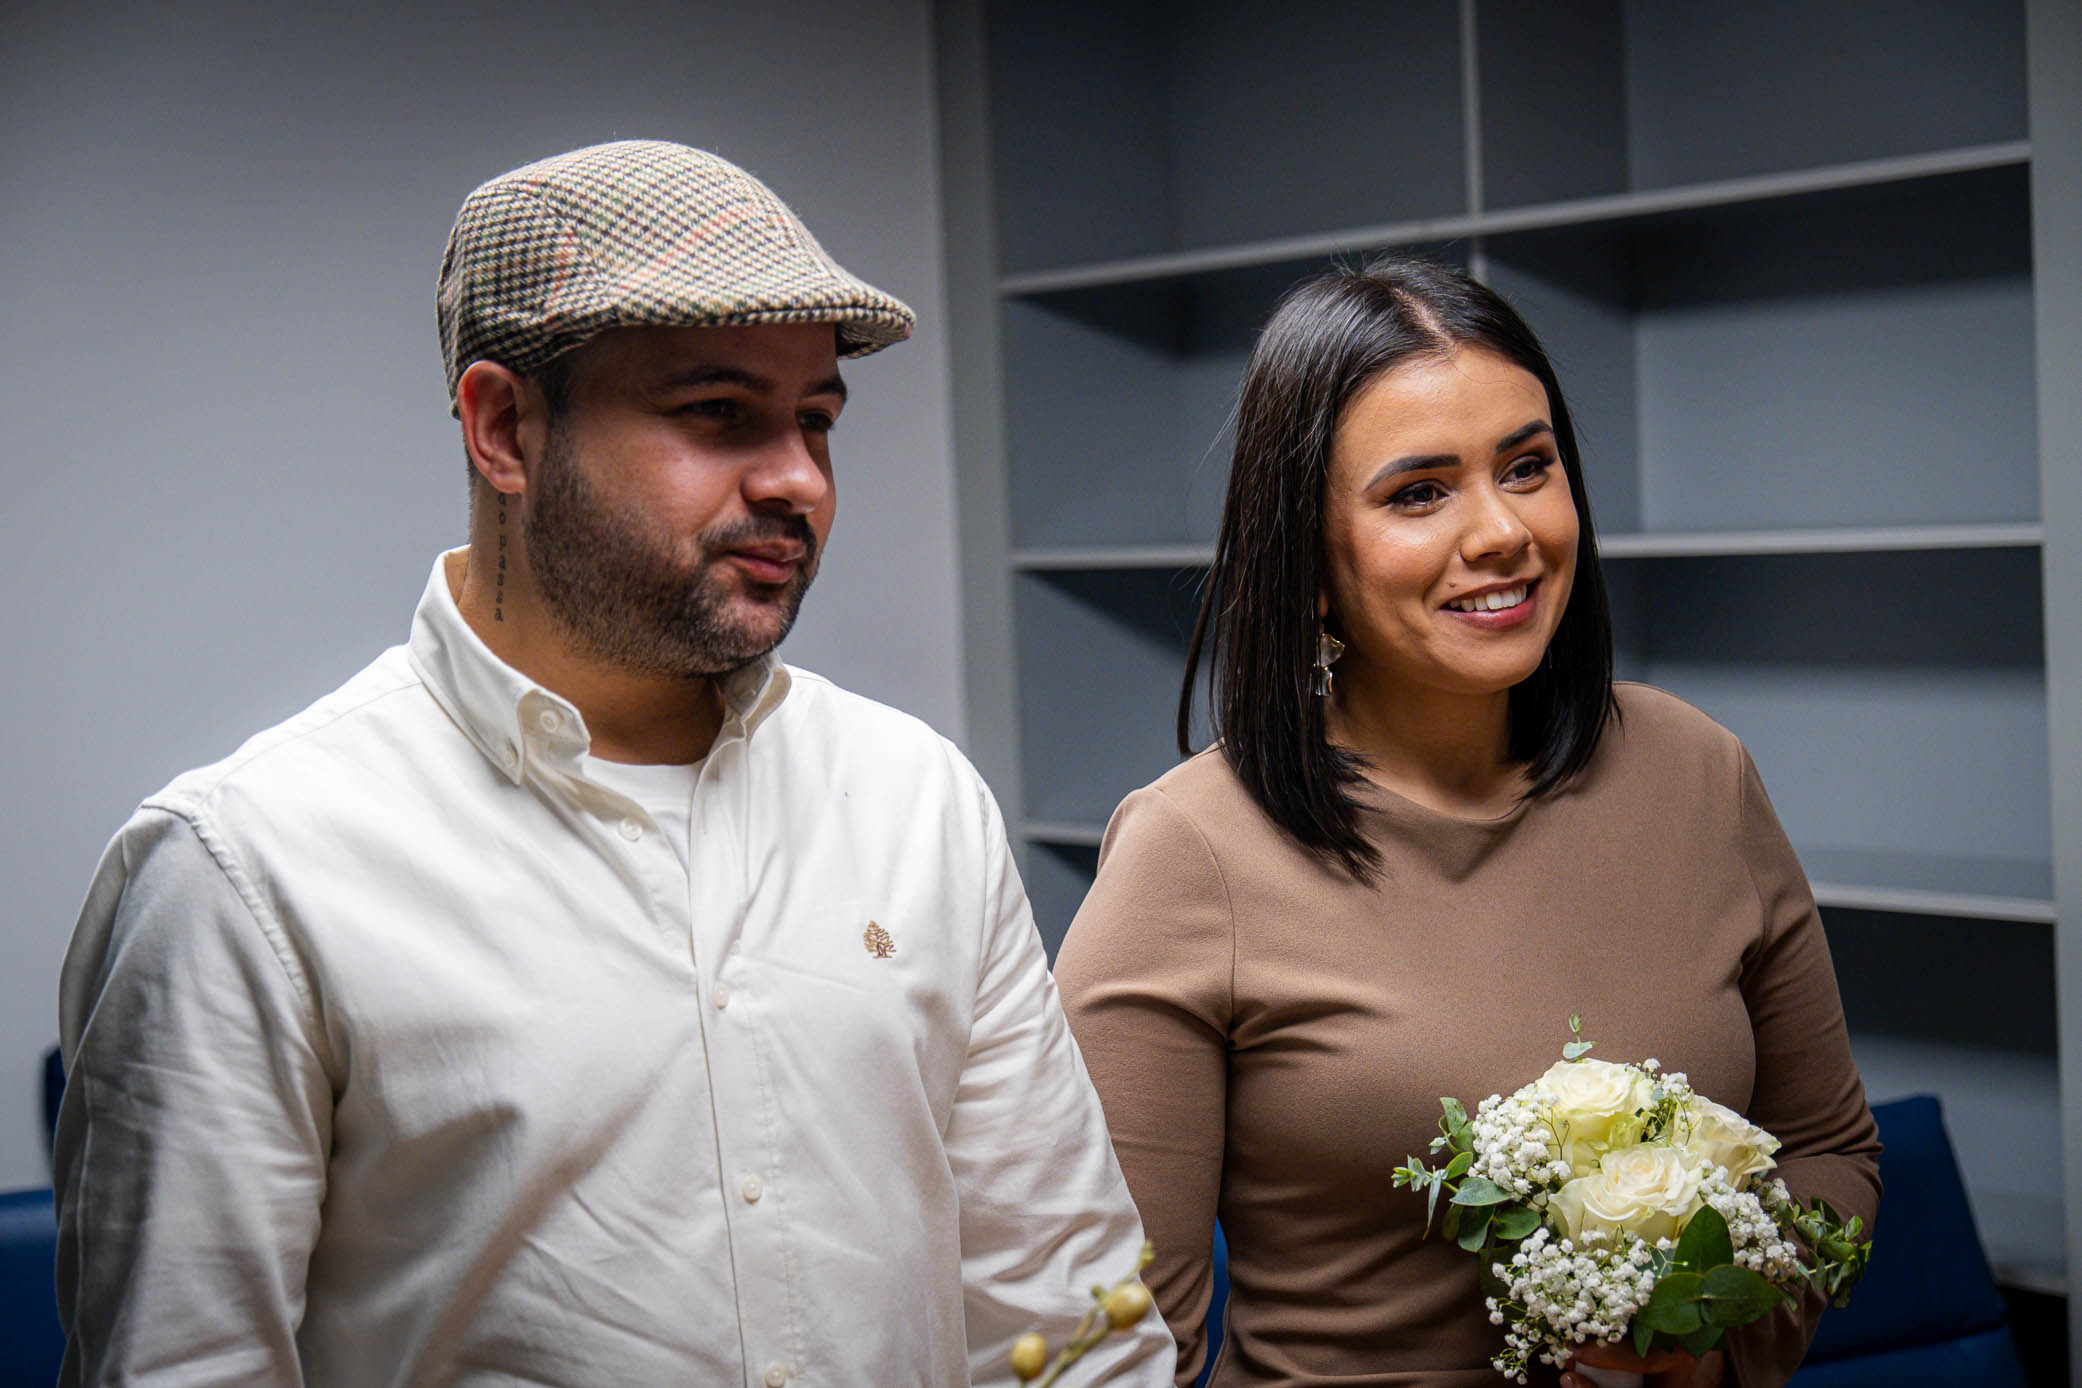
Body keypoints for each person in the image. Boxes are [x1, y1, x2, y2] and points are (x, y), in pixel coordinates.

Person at [55, 140, 1172, 1388]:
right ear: (504, 426)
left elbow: (1070, 1311)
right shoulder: (244, 870)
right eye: (717, 413)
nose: (798, 477)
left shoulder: (918, 801)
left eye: (815, 419)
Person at [1053, 258, 1880, 1388]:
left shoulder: (1698, 772)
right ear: (1307, 564)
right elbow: (1120, 1339)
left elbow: (1830, 1152)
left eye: (1528, 467)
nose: (1502, 531)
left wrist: (1714, 1342)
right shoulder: (1189, 852)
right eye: (1418, 492)